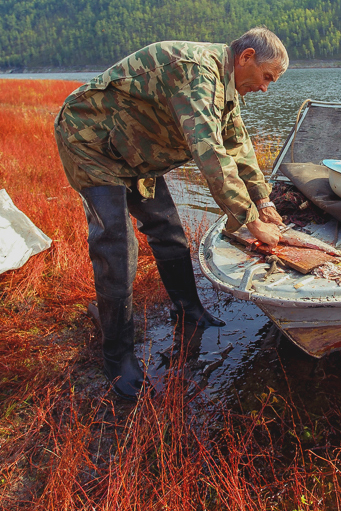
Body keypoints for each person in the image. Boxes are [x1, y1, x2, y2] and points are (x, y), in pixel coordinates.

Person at [54, 27, 288, 401]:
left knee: (169, 230)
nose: (265, 88)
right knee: (117, 246)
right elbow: (210, 152)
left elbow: (238, 146)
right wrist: (249, 221)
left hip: (134, 151)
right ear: (246, 58)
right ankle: (118, 359)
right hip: (92, 142)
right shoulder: (196, 71)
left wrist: (265, 202)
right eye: (266, 77)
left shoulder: (226, 87)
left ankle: (189, 310)